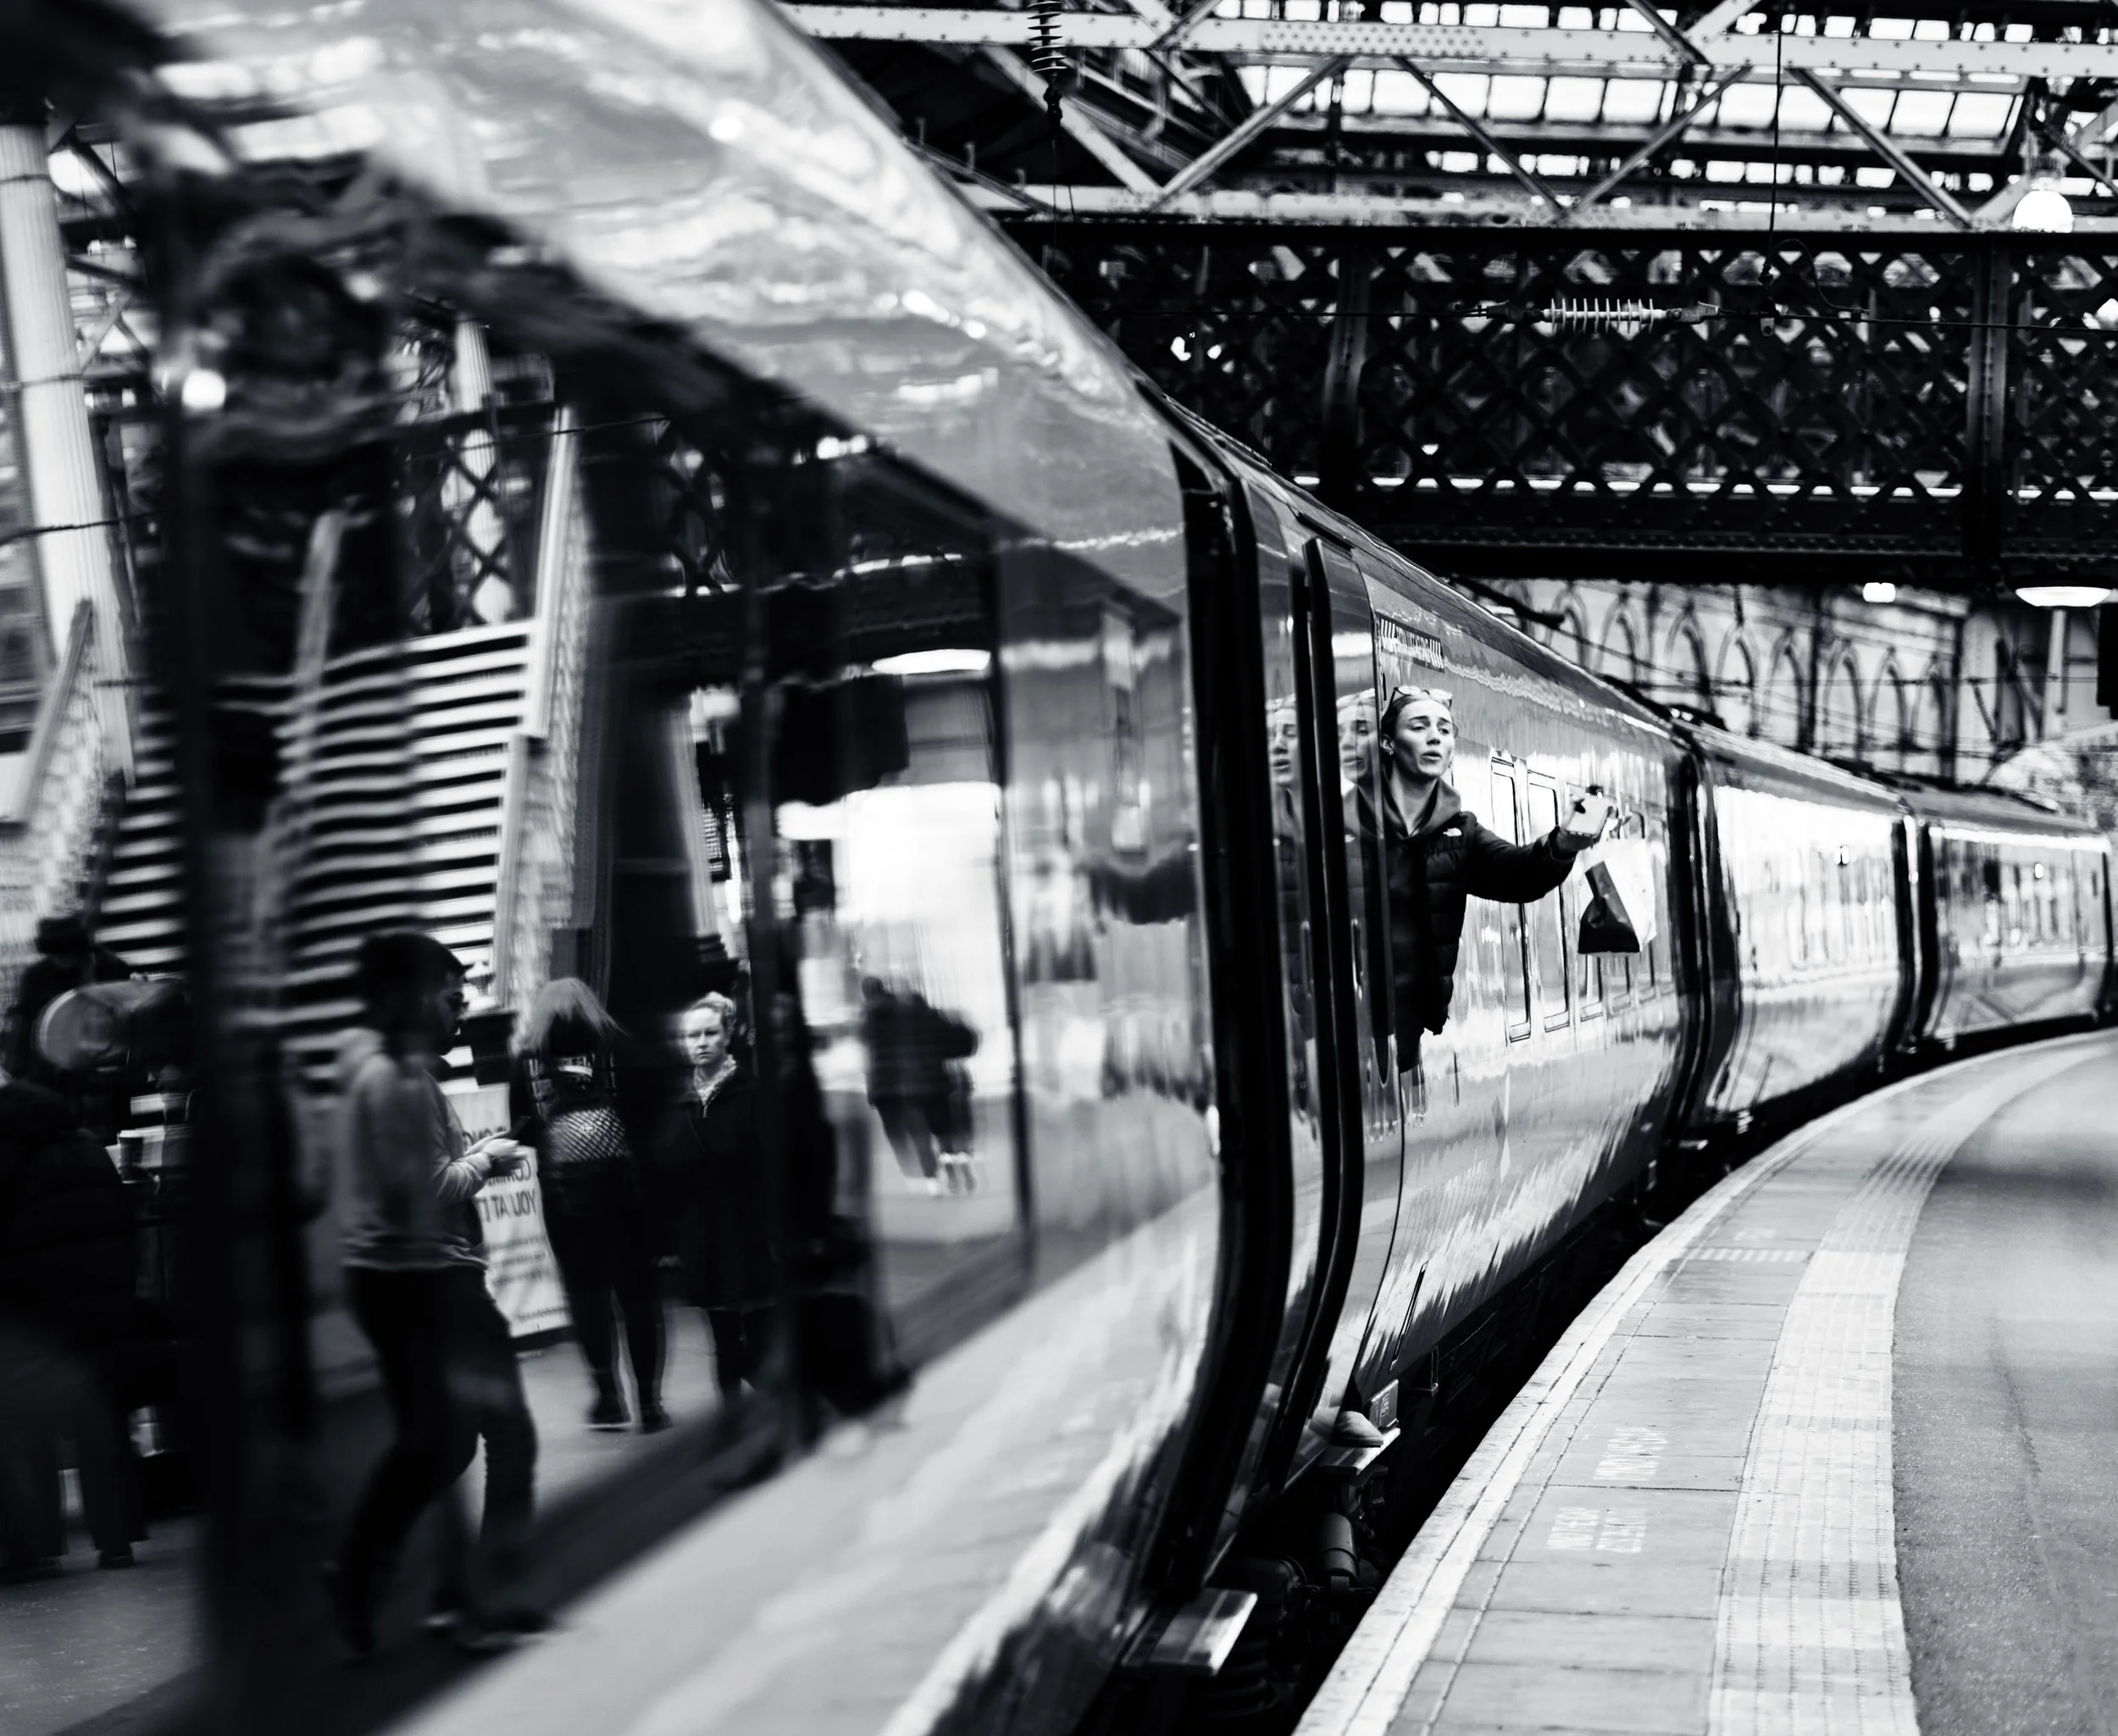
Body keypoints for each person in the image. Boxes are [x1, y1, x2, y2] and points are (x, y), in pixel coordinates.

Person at [322, 932, 538, 1658]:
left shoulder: (372, 1068)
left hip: (396, 1277)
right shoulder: (399, 1081)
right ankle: (474, 1591)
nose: (460, 1010)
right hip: (430, 1275)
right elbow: (422, 1190)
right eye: (451, 998)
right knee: (502, 1435)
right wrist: (486, 1159)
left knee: (439, 1443)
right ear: (413, 997)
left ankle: (375, 1578)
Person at [1359, 686, 1612, 1074]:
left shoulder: (1460, 834)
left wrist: (1562, 844)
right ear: (1388, 742)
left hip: (1403, 1031)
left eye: (1444, 730)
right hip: (1343, 1022)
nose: (1434, 737)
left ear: (1452, 752)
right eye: (1419, 727)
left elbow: (1519, 875)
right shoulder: (1350, 819)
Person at [0, 1068, 144, 1574]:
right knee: (102, 1425)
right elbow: (124, 1221)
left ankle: (40, 1546)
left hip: (35, 1315)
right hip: (102, 1307)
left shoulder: (7, 1154)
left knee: (26, 1425)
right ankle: (117, 1541)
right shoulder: (85, 1144)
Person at [511, 979, 665, 1434]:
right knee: (638, 1297)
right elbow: (647, 1115)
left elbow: (522, 1128)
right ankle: (650, 1402)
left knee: (587, 1297)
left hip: (566, 1200)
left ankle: (608, 1397)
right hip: (626, 1194)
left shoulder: (528, 1060)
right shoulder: (618, 1047)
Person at [656, 992, 773, 1400]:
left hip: (747, 1228)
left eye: (710, 1033)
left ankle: (773, 1401)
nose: (701, 1042)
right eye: (693, 1036)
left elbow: (770, 1166)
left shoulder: (752, 1094)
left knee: (757, 1332)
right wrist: (670, 1241)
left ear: (727, 1036)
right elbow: (669, 1176)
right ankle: (735, 1414)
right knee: (722, 1335)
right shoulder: (681, 1103)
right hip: (702, 1234)